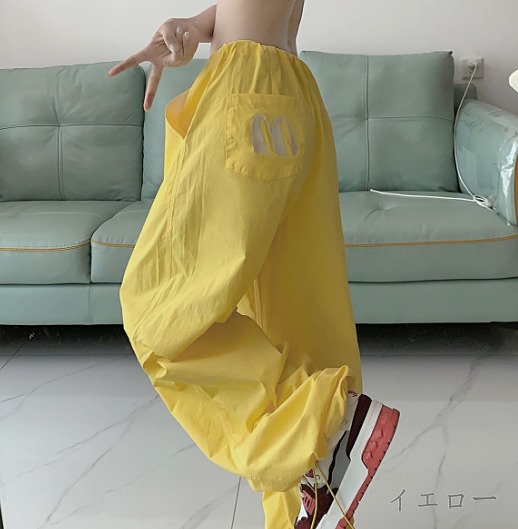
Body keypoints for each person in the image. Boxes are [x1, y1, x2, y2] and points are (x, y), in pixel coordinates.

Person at [109, 2, 401, 527]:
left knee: (162, 306)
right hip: (292, 95)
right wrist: (199, 26)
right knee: (297, 327)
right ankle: (316, 488)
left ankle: (325, 427)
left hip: (249, 95)